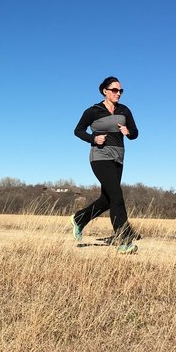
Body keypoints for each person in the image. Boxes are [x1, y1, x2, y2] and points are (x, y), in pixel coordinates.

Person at [71, 76, 141, 254]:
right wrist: (93, 138)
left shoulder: (124, 110)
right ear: (105, 91)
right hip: (100, 156)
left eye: (121, 91)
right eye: (115, 90)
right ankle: (123, 240)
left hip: (118, 157)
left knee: (107, 199)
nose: (118, 93)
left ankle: (80, 218)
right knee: (117, 195)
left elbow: (135, 133)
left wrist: (128, 132)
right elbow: (78, 130)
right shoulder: (93, 111)